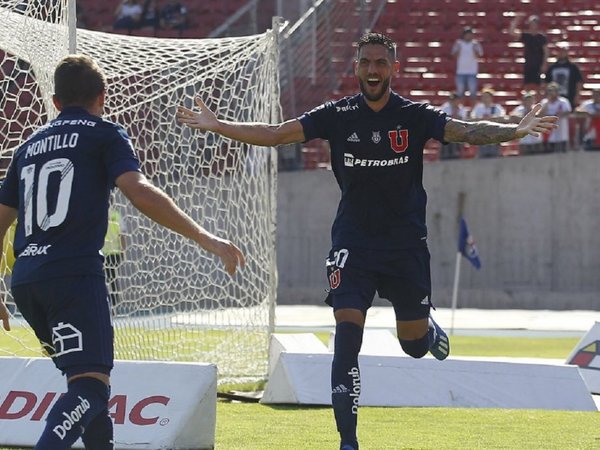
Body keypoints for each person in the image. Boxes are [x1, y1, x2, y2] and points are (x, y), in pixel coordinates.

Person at [176, 32, 557, 450]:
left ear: (394, 68)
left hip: (406, 246)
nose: (372, 70)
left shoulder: (413, 115)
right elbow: (276, 133)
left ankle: (425, 332)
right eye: (365, 62)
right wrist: (217, 126)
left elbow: (465, 131)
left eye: (380, 63)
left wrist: (513, 132)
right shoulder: (337, 115)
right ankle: (348, 441)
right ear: (356, 67)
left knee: (412, 347)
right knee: (346, 336)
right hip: (352, 244)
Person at [0, 54, 244, 449]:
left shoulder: (27, 146)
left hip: (28, 281)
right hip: (74, 277)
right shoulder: (104, 133)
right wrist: (205, 237)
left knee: (90, 383)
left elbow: (0, 220)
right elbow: (138, 191)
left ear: (56, 101)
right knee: (90, 392)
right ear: (103, 95)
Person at [509, 14, 549, 90]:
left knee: (539, 87)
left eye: (535, 23)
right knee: (527, 86)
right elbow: (512, 32)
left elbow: (546, 51)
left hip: (538, 65)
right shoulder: (526, 36)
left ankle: (538, 102)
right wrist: (515, 21)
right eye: (532, 23)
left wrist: (544, 64)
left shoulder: (541, 37)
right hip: (528, 64)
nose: (533, 25)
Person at [544, 42, 583, 109]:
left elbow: (579, 82)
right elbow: (547, 83)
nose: (562, 53)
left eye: (564, 51)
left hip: (570, 96)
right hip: (554, 97)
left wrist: (577, 95)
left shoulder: (573, 67)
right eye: (560, 51)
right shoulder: (552, 67)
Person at [470, 87, 507, 157]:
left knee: (495, 156)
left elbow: (502, 117)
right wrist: (481, 119)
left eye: (487, 97)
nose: (485, 98)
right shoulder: (478, 108)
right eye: (483, 97)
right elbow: (472, 118)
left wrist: (491, 118)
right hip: (482, 136)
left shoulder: (496, 108)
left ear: (491, 98)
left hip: (494, 136)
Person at [450, 26, 483, 102]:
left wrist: (474, 49)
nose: (469, 36)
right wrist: (459, 49)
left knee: (473, 93)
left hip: (472, 72)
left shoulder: (475, 44)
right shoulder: (458, 43)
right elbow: (455, 56)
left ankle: (473, 111)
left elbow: (478, 56)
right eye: (467, 34)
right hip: (461, 72)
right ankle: (461, 110)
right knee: (460, 93)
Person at [103, 205, 126, 307]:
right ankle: (113, 303)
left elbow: (121, 234)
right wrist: (123, 250)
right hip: (110, 252)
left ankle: (113, 303)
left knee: (110, 279)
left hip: (109, 253)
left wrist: (122, 250)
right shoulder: (116, 215)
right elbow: (122, 234)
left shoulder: (112, 214)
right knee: (112, 279)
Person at [540, 81, 572, 152]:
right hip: (548, 128)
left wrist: (558, 115)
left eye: (553, 91)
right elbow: (540, 113)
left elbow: (568, 112)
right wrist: (548, 102)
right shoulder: (544, 102)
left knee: (561, 149)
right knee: (549, 149)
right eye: (550, 91)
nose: (551, 93)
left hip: (560, 128)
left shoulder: (563, 101)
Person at [509, 91, 544, 155]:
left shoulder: (537, 109)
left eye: (530, 100)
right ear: (523, 101)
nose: (528, 102)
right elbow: (513, 117)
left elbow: (541, 116)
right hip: (524, 140)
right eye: (527, 100)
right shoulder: (519, 109)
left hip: (536, 139)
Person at [439, 92, 467, 159]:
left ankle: (456, 154)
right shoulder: (445, 107)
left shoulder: (462, 109)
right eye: (452, 100)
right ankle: (445, 155)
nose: (454, 102)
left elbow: (462, 120)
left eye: (456, 100)